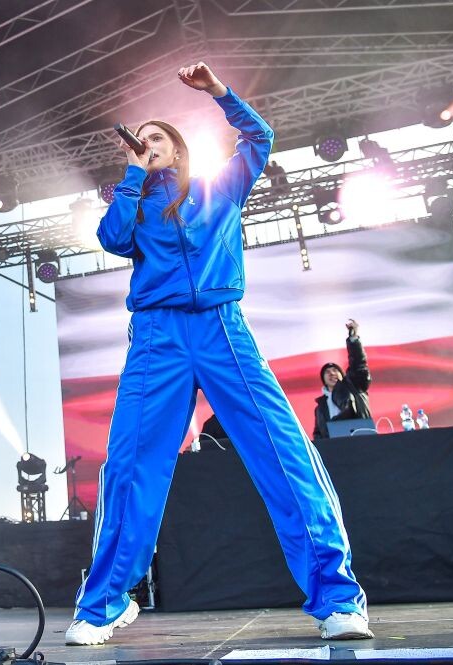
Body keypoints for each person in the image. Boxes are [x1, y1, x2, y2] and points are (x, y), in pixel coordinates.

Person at [65, 62, 371, 646]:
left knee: (283, 452)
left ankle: (336, 597)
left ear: (179, 149)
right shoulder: (134, 201)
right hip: (157, 337)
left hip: (223, 330)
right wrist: (131, 175)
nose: (148, 144)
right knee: (131, 465)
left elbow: (262, 139)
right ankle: (104, 605)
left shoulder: (219, 187)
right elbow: (109, 238)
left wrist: (219, 94)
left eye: (158, 139)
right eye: (142, 139)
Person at [313, 319, 372, 440]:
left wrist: (353, 340)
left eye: (335, 371)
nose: (332, 373)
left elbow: (359, 365)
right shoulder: (320, 407)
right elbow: (318, 433)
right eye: (327, 372)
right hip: (336, 451)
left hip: (363, 441)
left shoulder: (354, 387)